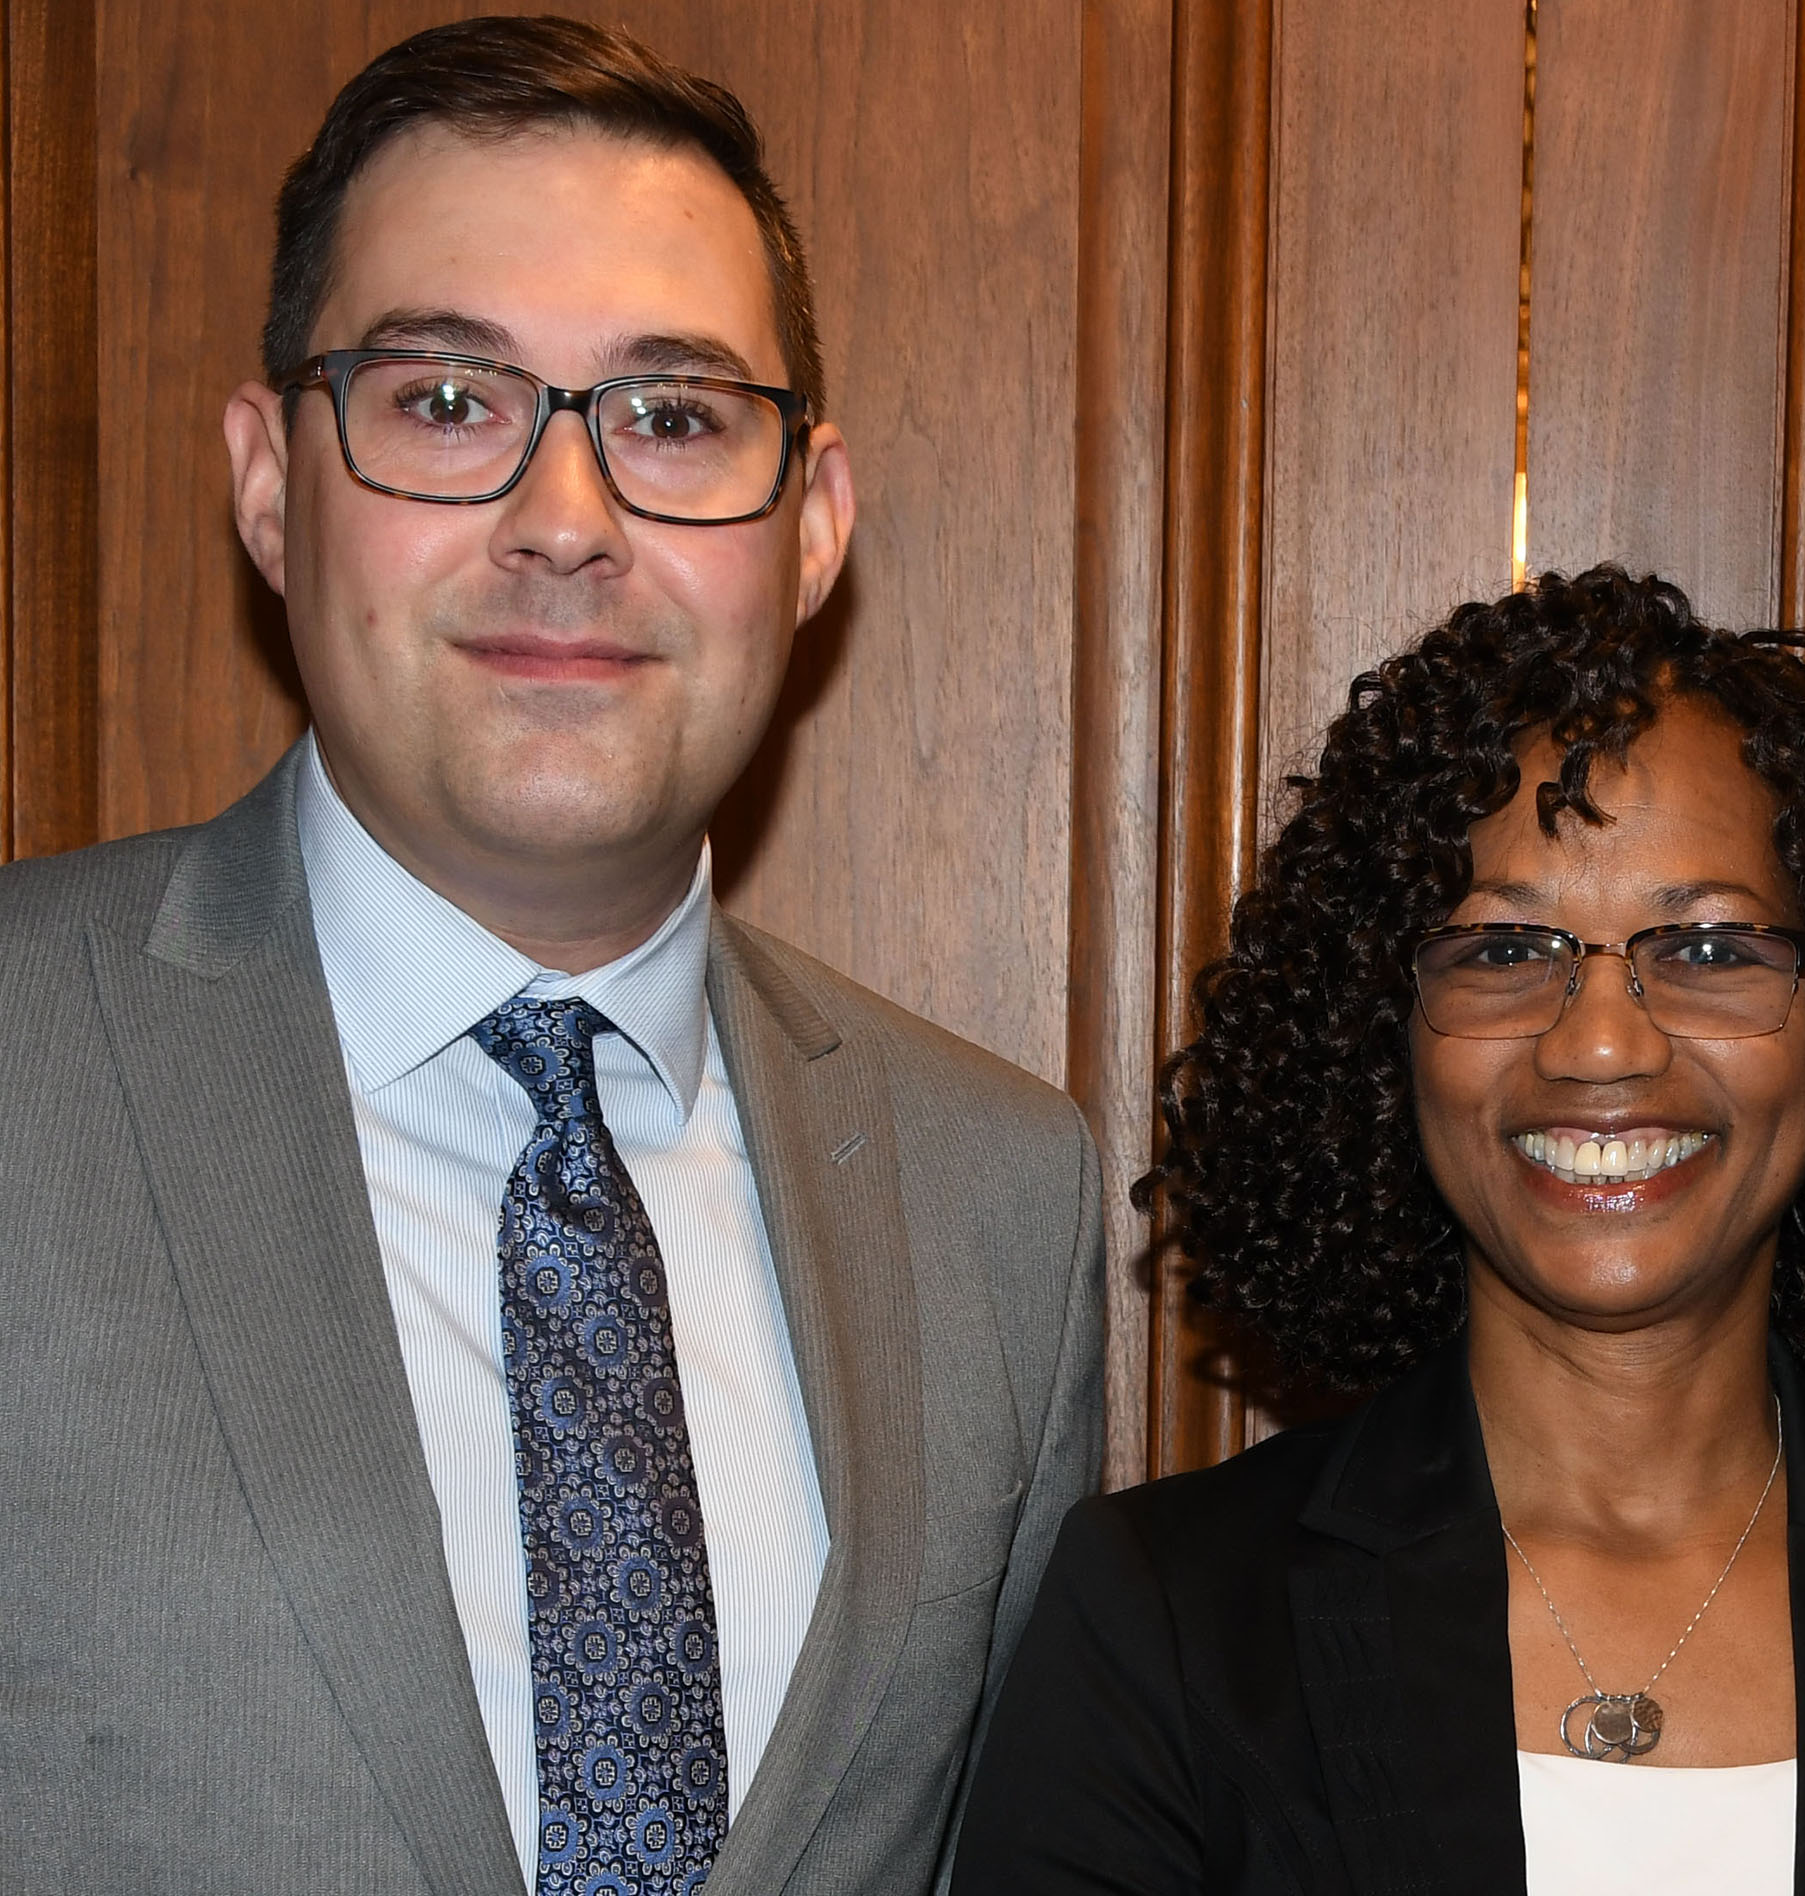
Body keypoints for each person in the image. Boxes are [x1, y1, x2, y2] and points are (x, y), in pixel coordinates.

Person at [0, 19, 1102, 1894]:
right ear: (272, 484)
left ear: (812, 526)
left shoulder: (1006, 1199)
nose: (567, 522)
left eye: (673, 417)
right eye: (447, 402)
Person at [951, 568, 1805, 1893]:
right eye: (1507, 952)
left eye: (1713, 949)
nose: (1604, 1044)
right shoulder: (1168, 1623)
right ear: (1378, 1036)